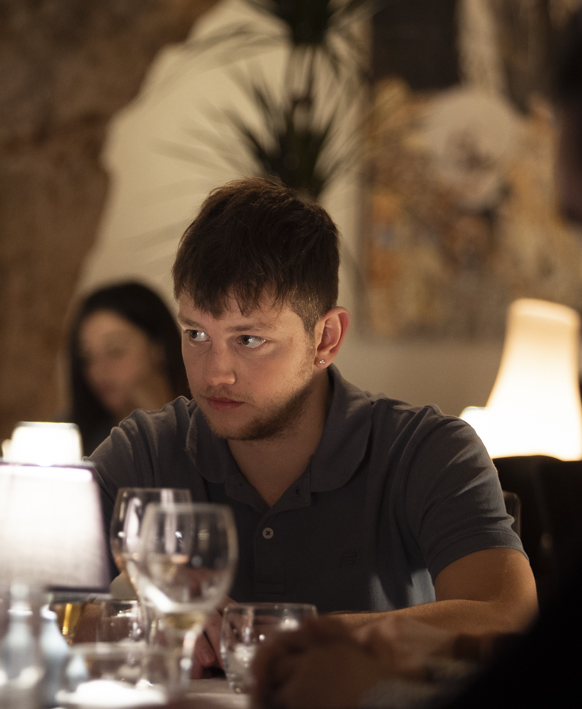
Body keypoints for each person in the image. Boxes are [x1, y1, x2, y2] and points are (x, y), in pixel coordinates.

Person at [90, 177, 538, 659]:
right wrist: (136, 625)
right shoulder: (147, 450)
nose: (214, 374)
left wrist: (273, 636)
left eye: (249, 340)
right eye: (197, 334)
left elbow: (507, 615)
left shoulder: (428, 451)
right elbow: (20, 595)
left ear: (326, 338)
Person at [67, 282, 189, 455]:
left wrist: (158, 419)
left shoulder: (209, 429)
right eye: (86, 357)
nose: (97, 370)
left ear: (158, 347)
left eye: (115, 350)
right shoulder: (70, 437)